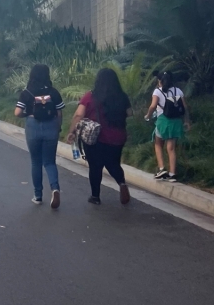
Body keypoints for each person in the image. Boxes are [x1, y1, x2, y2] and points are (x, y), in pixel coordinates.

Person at [67, 67, 132, 205]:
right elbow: (129, 113)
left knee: (95, 167)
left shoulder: (90, 96)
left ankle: (95, 197)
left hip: (96, 138)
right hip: (118, 137)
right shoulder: (122, 96)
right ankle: (121, 183)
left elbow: (78, 115)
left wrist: (71, 132)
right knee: (113, 163)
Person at [15, 63, 65, 208]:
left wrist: (27, 114)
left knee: (36, 162)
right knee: (50, 162)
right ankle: (55, 188)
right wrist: (58, 127)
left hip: (33, 127)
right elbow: (59, 113)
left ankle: (38, 196)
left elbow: (17, 113)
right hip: (51, 126)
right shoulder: (54, 92)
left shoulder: (27, 92)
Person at [144, 70, 190, 182]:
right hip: (176, 122)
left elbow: (153, 106)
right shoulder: (178, 90)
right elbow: (185, 107)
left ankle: (162, 169)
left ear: (160, 81)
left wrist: (148, 116)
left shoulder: (158, 91)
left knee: (158, 143)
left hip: (163, 121)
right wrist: (187, 121)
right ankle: (172, 174)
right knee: (171, 148)